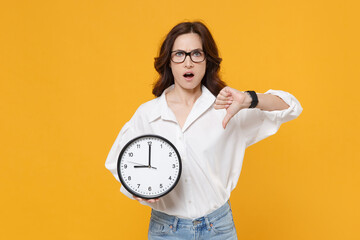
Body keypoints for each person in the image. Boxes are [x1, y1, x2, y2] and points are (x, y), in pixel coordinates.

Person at [105, 21, 302, 240]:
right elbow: (119, 162)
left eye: (196, 54)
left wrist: (248, 98)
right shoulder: (148, 114)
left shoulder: (228, 108)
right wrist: (139, 190)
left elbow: (290, 107)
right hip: (166, 230)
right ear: (169, 62)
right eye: (179, 54)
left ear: (207, 61)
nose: (188, 63)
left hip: (217, 229)